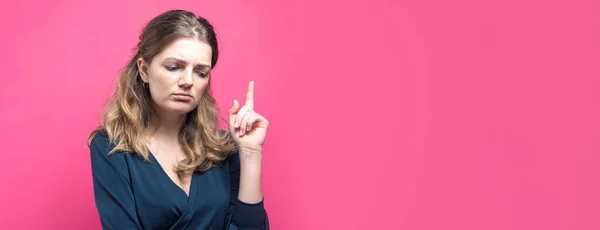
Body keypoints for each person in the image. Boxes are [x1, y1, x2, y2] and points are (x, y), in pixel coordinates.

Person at [87, 9, 270, 230]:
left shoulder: (223, 149)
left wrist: (250, 154)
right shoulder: (112, 147)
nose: (187, 81)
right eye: (174, 67)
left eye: (201, 72)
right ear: (144, 70)